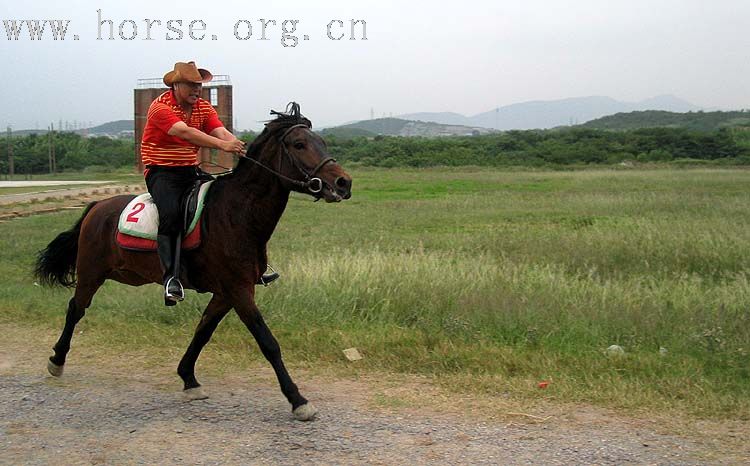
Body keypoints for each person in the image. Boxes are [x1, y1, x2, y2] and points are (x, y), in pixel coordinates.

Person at [141, 61, 277, 305]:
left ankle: (250, 265)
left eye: (200, 85)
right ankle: (171, 278)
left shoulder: (203, 108)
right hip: (162, 173)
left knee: (226, 202)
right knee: (171, 214)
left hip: (189, 170)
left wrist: (237, 145)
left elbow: (219, 131)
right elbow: (183, 132)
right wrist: (223, 146)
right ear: (176, 85)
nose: (197, 90)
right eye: (192, 85)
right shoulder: (160, 107)